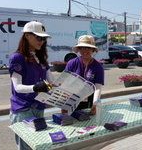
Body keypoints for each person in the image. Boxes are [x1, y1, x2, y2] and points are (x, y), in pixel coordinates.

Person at [9, 21, 55, 150]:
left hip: (39, 106)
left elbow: (53, 81)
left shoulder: (40, 57)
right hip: (23, 109)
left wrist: (71, 84)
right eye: (38, 37)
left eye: (44, 38)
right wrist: (36, 87)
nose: (42, 41)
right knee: (25, 147)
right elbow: (17, 87)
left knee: (38, 145)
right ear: (27, 36)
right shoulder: (17, 58)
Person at [63, 35, 104, 115]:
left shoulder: (98, 67)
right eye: (81, 47)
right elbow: (65, 85)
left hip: (89, 101)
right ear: (78, 50)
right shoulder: (72, 63)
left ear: (93, 49)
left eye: (88, 48)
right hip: (72, 100)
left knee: (89, 123)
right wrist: (64, 105)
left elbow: (97, 88)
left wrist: (94, 104)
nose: (84, 50)